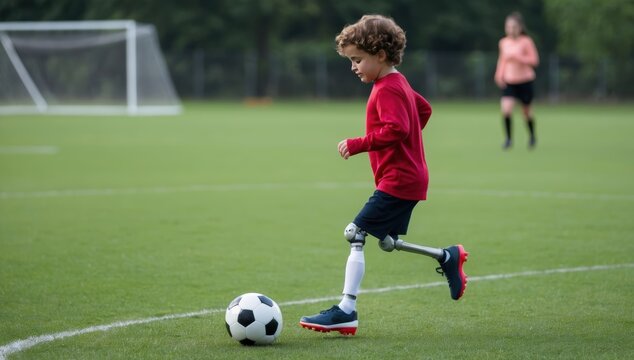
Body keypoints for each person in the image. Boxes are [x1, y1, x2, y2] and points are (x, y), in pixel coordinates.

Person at [299, 15, 469, 336]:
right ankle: (447, 256)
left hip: (400, 180)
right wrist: (406, 148)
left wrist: (359, 143)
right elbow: (424, 110)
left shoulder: (387, 89)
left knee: (355, 233)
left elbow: (398, 127)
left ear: (380, 54)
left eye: (358, 59)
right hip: (407, 177)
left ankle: (345, 311)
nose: (354, 67)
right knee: (388, 242)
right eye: (351, 60)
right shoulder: (397, 82)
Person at [494, 11, 540, 149]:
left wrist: (519, 57)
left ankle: (532, 136)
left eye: (513, 27)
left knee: (526, 112)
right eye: (508, 26)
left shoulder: (526, 41)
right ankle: (508, 139)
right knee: (506, 110)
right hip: (510, 81)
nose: (510, 29)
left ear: (520, 27)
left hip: (525, 81)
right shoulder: (503, 42)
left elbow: (534, 61)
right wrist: (499, 74)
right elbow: (502, 60)